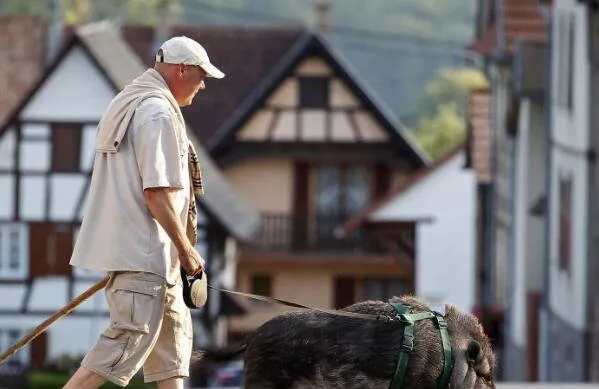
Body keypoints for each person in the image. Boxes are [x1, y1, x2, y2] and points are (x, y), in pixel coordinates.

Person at [62, 36, 225, 389]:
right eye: (201, 77)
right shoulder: (158, 112)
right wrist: (187, 251)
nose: (203, 86)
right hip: (146, 256)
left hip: (154, 260)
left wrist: (177, 256)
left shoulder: (129, 102)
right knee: (121, 345)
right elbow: (157, 193)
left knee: (172, 361)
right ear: (182, 69)